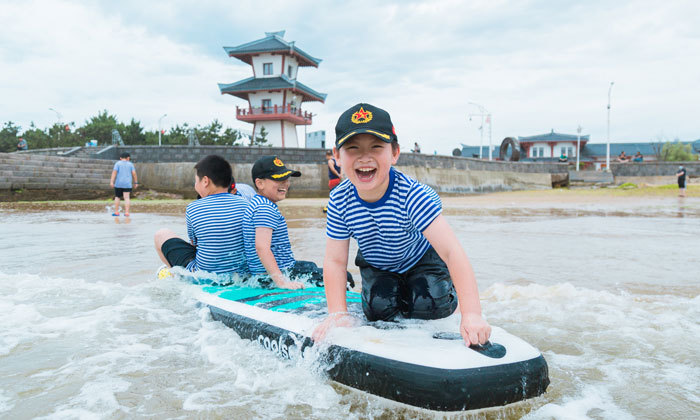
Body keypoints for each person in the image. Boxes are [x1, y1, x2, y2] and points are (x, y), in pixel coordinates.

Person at [312, 103, 491, 347]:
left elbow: (452, 252)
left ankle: (448, 293)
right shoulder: (339, 200)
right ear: (337, 156)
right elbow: (334, 261)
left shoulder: (413, 195)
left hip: (420, 258)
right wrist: (337, 314)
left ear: (395, 153)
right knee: (378, 311)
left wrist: (471, 314)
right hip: (378, 263)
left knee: (426, 304)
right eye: (353, 148)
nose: (365, 157)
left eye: (376, 147)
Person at [243, 156, 353, 290]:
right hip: (279, 274)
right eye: (279, 179)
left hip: (268, 272)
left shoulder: (256, 203)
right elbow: (262, 247)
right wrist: (282, 282)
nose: (285, 184)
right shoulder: (265, 209)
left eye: (287, 179)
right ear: (260, 183)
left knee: (310, 266)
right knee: (343, 277)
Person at [154, 155, 248, 275]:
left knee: (161, 234)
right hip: (240, 273)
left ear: (205, 181)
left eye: (195, 181)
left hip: (204, 275)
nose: (195, 185)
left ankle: (175, 275)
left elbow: (195, 245)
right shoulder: (246, 205)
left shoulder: (193, 208)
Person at [109, 152, 138, 217]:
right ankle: (127, 213)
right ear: (128, 158)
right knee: (127, 198)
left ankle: (116, 212)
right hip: (127, 184)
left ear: (120, 158)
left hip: (118, 183)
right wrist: (136, 182)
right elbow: (134, 173)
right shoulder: (130, 164)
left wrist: (111, 182)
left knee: (117, 197)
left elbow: (114, 173)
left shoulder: (117, 163)